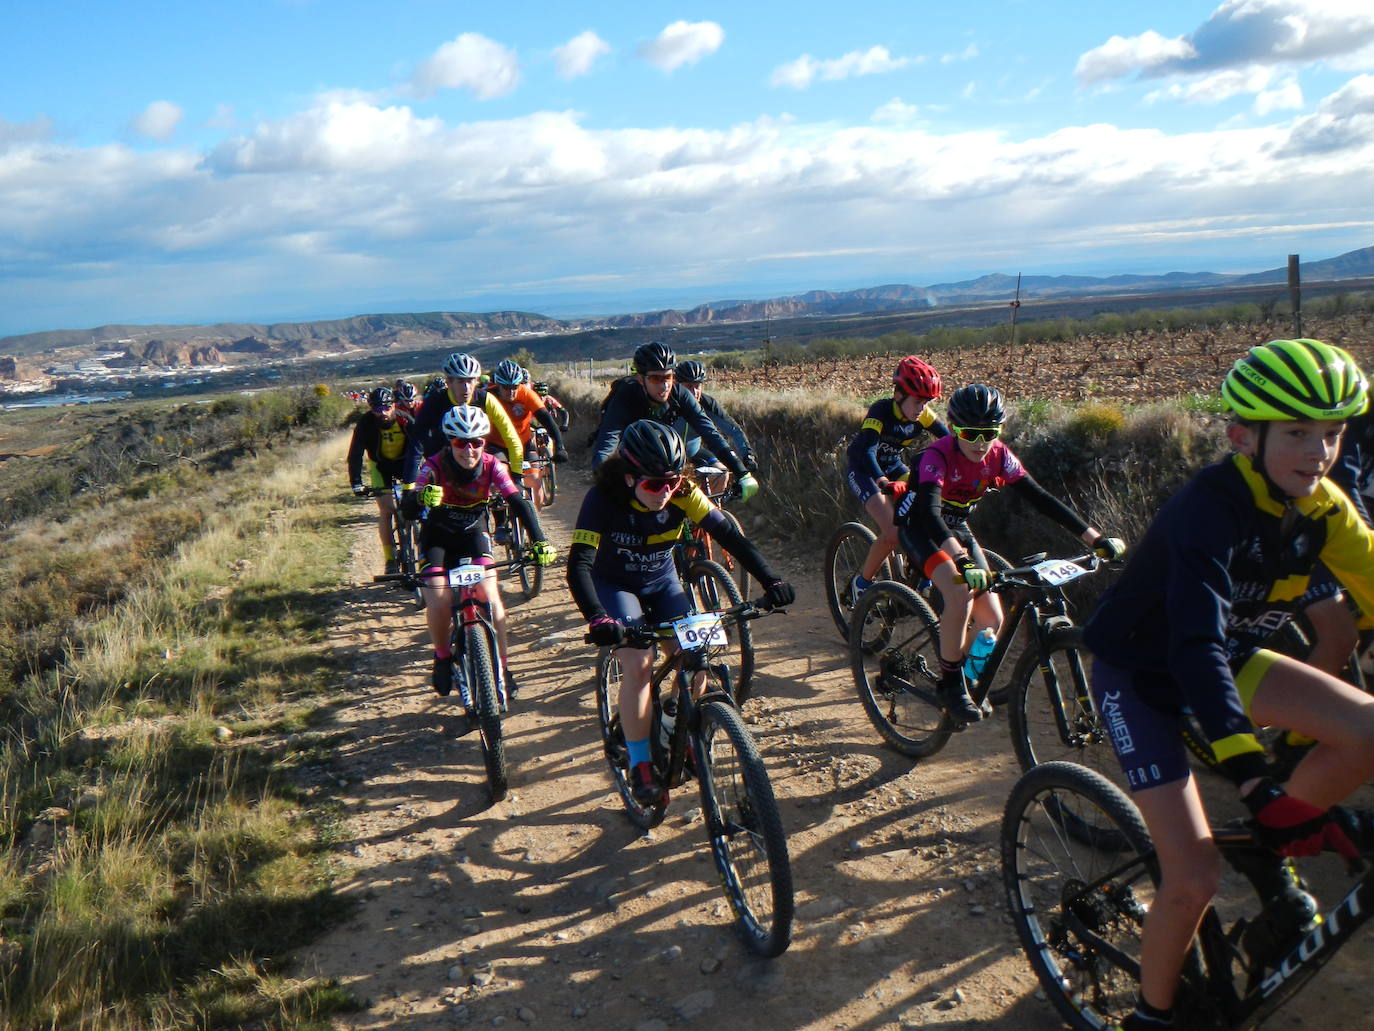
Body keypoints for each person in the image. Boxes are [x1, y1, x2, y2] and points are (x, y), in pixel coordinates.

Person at [1082, 339, 1374, 1031]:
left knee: (1368, 729)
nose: (1319, 452)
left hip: (1227, 655)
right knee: (1193, 879)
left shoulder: (1322, 507)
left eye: (1332, 433)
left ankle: (1272, 848)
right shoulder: (1206, 510)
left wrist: (1273, 801)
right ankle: (1152, 1016)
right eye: (1297, 432)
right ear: (1243, 437)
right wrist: (1253, 780)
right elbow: (1195, 646)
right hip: (1142, 675)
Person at [567, 421, 795, 804]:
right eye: (655, 484)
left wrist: (771, 580)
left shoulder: (684, 492)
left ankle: (677, 724)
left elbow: (730, 537)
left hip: (662, 583)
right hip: (616, 587)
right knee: (639, 663)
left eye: (671, 482)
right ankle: (640, 764)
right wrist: (597, 618)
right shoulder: (603, 499)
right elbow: (579, 565)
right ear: (629, 477)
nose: (665, 492)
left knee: (696, 658)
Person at [897, 383, 1124, 725]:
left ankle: (964, 675)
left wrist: (1095, 539)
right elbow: (929, 514)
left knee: (992, 619)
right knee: (961, 595)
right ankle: (951, 685)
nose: (980, 443)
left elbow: (1041, 499)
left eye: (989, 433)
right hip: (922, 529)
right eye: (970, 434)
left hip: (957, 528)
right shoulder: (937, 456)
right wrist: (962, 560)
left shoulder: (999, 455)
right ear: (954, 428)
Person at [401, 405, 556, 699]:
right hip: (438, 536)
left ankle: (503, 667)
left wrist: (539, 540)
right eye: (461, 442)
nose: (469, 450)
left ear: (484, 442)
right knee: (439, 598)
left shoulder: (492, 465)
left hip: (473, 532)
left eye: (476, 442)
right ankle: (442, 657)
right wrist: (420, 498)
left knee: (491, 598)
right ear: (450, 442)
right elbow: (408, 508)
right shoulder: (433, 466)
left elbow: (518, 502)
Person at [591, 342, 759, 502]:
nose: (664, 386)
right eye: (655, 379)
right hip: (635, 457)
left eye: (668, 377)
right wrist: (604, 479)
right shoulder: (626, 396)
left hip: (671, 459)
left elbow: (710, 433)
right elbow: (607, 443)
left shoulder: (680, 394)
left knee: (695, 502)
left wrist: (742, 473)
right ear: (641, 379)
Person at [845, 356, 949, 599]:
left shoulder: (923, 414)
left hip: (893, 466)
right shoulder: (880, 411)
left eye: (927, 402)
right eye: (917, 401)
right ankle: (861, 584)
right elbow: (868, 451)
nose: (922, 408)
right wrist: (881, 481)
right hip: (864, 470)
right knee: (892, 533)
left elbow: (950, 444)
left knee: (930, 514)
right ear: (899, 395)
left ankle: (921, 573)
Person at [404, 353, 523, 486]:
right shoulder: (434, 402)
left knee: (502, 471)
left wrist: (517, 476)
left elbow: (511, 438)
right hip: (442, 457)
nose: (466, 388)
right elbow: (417, 444)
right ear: (449, 382)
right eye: (460, 381)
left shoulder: (486, 400)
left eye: (470, 381)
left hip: (475, 456)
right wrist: (409, 485)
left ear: (476, 381)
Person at [347, 386, 414, 574]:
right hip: (380, 466)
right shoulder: (365, 423)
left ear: (394, 405)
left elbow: (420, 446)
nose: (382, 412)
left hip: (405, 464)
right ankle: (390, 559)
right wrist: (356, 482)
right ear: (370, 408)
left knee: (414, 507)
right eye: (377, 409)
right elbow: (355, 454)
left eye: (386, 407)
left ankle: (423, 552)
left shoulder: (405, 419)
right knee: (386, 510)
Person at [487, 358, 569, 509]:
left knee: (535, 478)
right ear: (497, 384)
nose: (511, 392)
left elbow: (547, 420)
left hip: (524, 444)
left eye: (515, 387)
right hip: (497, 445)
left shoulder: (526, 394)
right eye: (506, 387)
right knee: (499, 477)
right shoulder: (488, 396)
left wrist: (559, 446)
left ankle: (534, 515)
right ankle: (500, 519)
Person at [672, 360, 758, 496]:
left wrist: (747, 456)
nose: (694, 392)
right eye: (688, 386)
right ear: (677, 385)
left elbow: (733, 430)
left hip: (694, 452)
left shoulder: (707, 403)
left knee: (722, 473)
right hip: (670, 455)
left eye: (697, 386)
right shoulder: (668, 403)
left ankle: (714, 506)